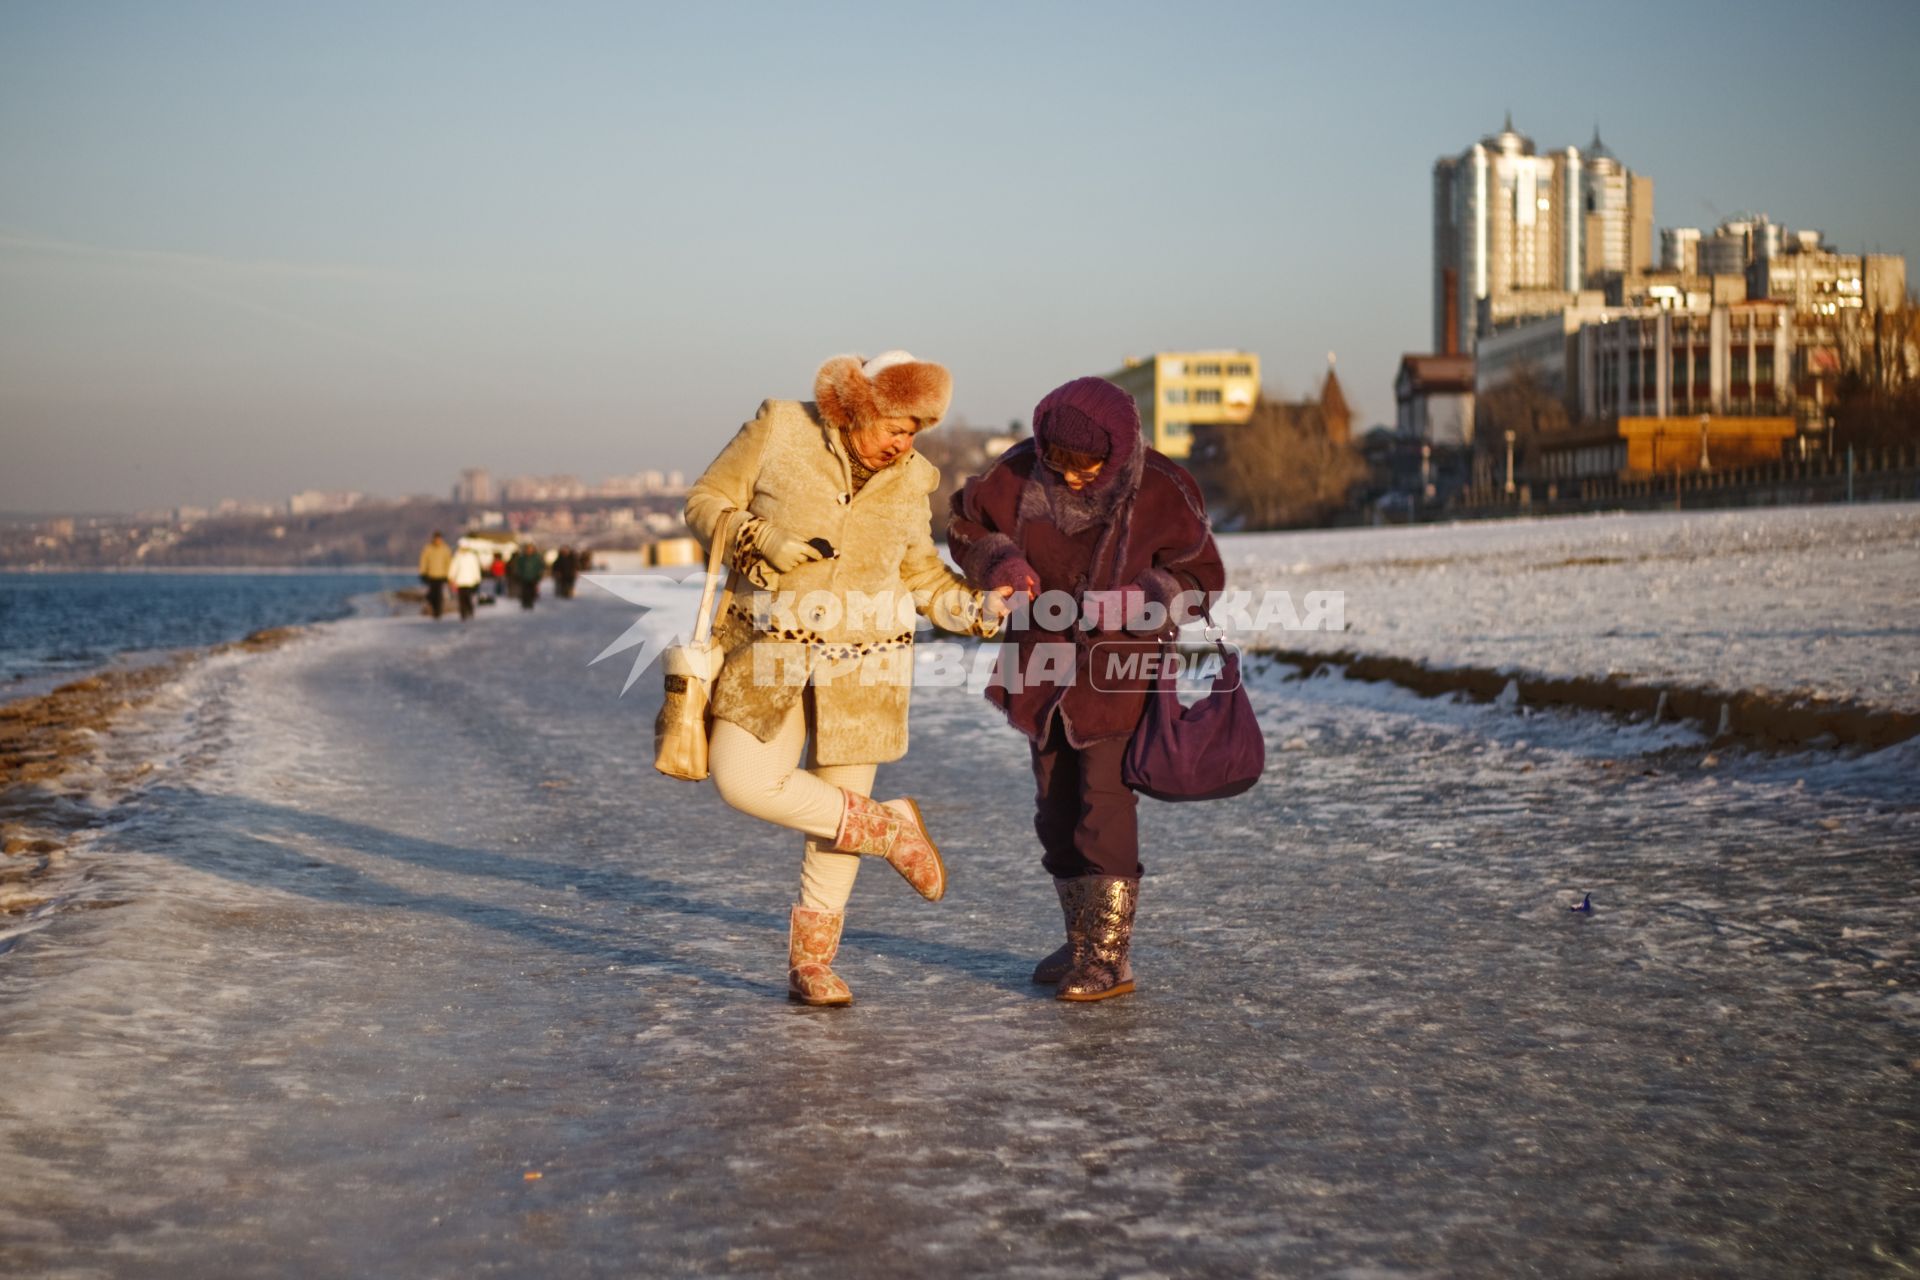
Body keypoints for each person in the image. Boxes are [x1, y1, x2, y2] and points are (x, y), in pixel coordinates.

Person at [684, 351, 1015, 1006]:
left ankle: (813, 966)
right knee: (742, 779)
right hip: (768, 653)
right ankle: (890, 829)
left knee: (831, 830)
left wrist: (977, 610)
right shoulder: (780, 428)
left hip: (866, 671)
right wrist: (760, 540)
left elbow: (919, 575)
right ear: (858, 407)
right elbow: (705, 501)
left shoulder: (912, 479)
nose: (904, 442)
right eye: (897, 424)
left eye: (916, 430)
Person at [948, 377, 1224, 1002]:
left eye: (1086, 467)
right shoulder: (1017, 472)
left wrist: (1140, 602)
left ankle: (1107, 957)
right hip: (1040, 668)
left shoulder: (1163, 486)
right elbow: (965, 524)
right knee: (1056, 809)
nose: (1071, 479)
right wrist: (1003, 564)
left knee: (1104, 802)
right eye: (1059, 465)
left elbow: (1202, 576)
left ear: (1119, 451)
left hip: (1119, 675)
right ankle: (1080, 939)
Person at [417, 531, 453, 620]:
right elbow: (423, 561)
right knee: (432, 594)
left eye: (439, 539)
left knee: (439, 594)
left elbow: (449, 562)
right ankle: (434, 609)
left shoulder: (445, 549)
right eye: (436, 538)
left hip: (441, 575)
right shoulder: (428, 548)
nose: (437, 540)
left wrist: (449, 575)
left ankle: (438, 612)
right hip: (431, 575)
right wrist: (423, 572)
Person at [447, 539, 485, 621]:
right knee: (462, 598)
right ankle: (464, 613)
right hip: (461, 581)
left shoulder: (470, 556)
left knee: (467, 598)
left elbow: (475, 569)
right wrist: (451, 577)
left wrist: (477, 579)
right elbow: (454, 568)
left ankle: (468, 612)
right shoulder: (458, 556)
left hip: (469, 581)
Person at [510, 542, 544, 610]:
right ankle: (525, 603)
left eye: (530, 549)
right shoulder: (522, 558)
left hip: (534, 577)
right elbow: (518, 567)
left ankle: (530, 603)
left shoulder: (536, 558)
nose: (529, 550)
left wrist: (539, 575)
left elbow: (540, 567)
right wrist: (518, 574)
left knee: (532, 591)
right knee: (524, 591)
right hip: (524, 577)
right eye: (527, 549)